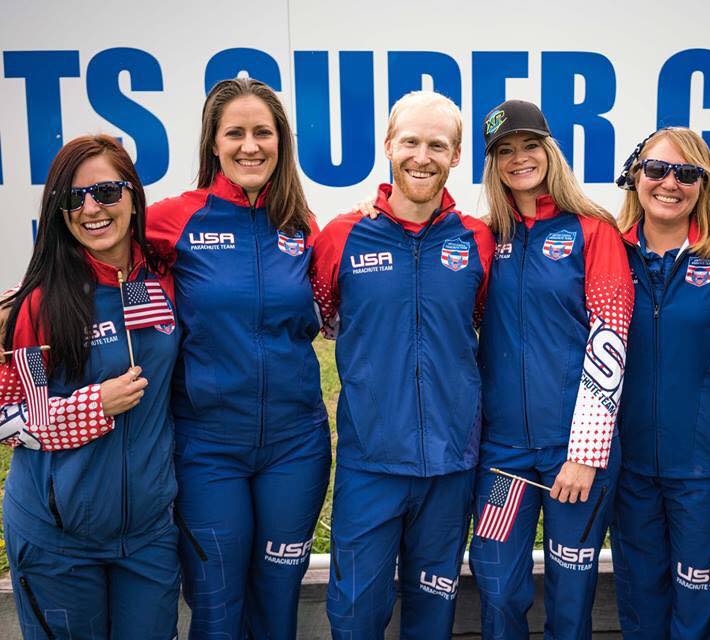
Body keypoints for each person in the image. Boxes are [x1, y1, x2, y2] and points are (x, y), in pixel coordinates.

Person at [146, 77, 331, 639]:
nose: (250, 146)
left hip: (295, 446)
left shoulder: (301, 227)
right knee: (217, 606)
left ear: (281, 142)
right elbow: (92, 258)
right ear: (213, 144)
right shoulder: (172, 220)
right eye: (235, 133)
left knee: (278, 604)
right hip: (208, 448)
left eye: (263, 133)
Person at [312, 90, 494, 639]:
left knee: (432, 616)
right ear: (389, 146)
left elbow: (482, 321)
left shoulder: (478, 240)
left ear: (457, 155)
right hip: (371, 462)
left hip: (450, 463)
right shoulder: (341, 236)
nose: (422, 155)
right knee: (356, 615)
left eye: (437, 145)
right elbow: (319, 318)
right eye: (410, 141)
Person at [0, 135, 180, 639]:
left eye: (106, 191)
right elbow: (10, 419)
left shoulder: (163, 278)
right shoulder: (35, 305)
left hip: (147, 537)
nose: (92, 208)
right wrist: (93, 405)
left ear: (133, 195)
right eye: (74, 197)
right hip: (58, 541)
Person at [469, 99, 633, 638]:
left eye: (529, 145)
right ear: (493, 163)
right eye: (504, 151)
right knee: (496, 587)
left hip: (576, 459)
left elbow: (610, 342)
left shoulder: (592, 231)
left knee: (570, 599)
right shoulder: (484, 235)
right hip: (504, 457)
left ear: (550, 150)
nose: (519, 159)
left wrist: (584, 455)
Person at [609, 127, 710, 639]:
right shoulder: (608, 247)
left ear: (704, 184)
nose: (670, 182)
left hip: (705, 471)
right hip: (628, 471)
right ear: (635, 176)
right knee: (642, 610)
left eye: (687, 173)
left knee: (702, 617)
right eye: (656, 169)